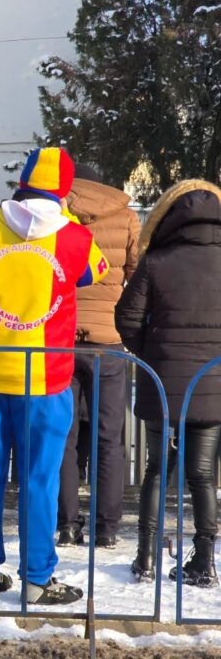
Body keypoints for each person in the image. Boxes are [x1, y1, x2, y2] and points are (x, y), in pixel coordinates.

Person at [0, 147, 107, 605]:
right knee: (40, 479)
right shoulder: (75, 237)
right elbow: (98, 271)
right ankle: (37, 578)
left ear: (21, 180)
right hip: (47, 379)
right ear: (64, 191)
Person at [117, 180, 221, 587]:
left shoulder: (157, 261)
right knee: (202, 474)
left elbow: (126, 317)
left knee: (158, 469)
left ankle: (145, 557)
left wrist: (150, 353)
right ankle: (205, 560)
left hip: (162, 384)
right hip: (214, 385)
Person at [56, 164, 140, 550]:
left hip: (61, 339)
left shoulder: (57, 213)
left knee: (64, 437)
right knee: (109, 439)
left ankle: (67, 524)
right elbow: (138, 278)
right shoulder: (124, 216)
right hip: (109, 341)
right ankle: (106, 528)